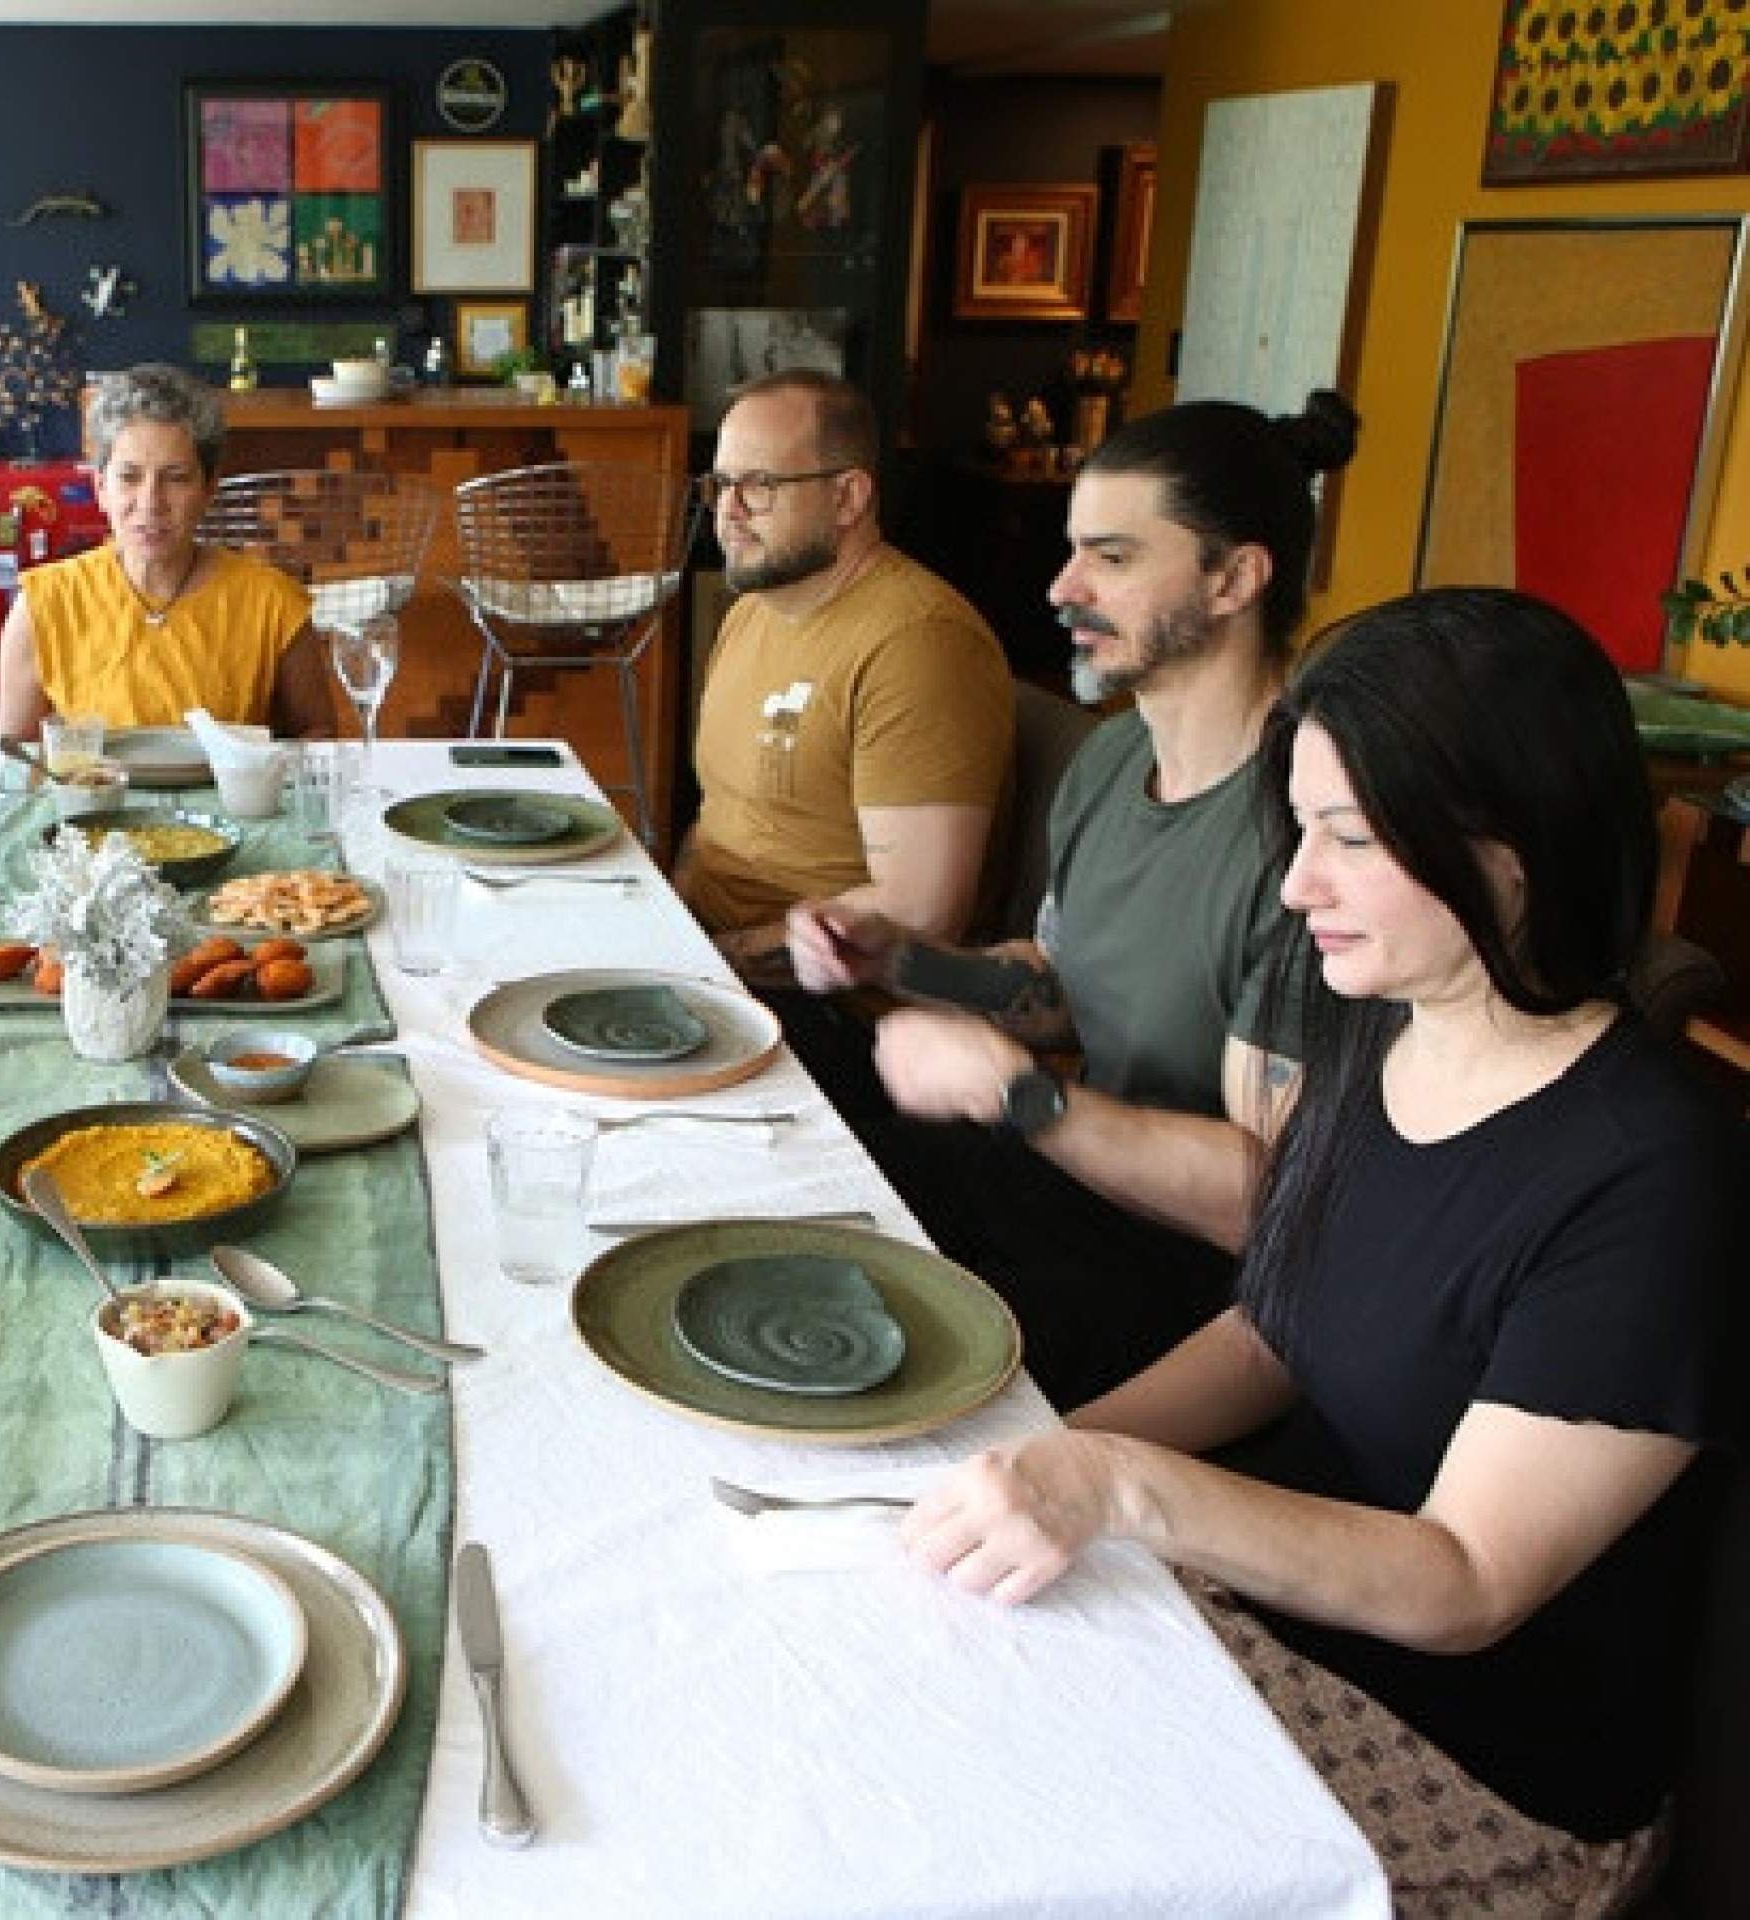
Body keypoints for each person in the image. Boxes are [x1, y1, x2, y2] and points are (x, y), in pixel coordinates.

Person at [903, 589, 1738, 1915]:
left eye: (1349, 838)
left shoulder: (1651, 1172)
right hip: (1271, 1617)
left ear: (1515, 846)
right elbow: (1274, 1327)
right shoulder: (1385, 1025)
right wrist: (1039, 1455)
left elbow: (1467, 1580)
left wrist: (1120, 1484)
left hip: (1482, 1767)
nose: (1299, 887)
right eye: (1301, 832)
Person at [786, 392, 1361, 1406]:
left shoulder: (1313, 829)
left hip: (1195, 1283)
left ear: (1235, 577)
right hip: (1070, 1184)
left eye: (1113, 557)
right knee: (798, 1077)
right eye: (1071, 551)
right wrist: (901, 959)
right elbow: (1061, 985)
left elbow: (1269, 1202)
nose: (1062, 587)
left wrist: (1021, 1096)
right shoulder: (1112, 759)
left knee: (851, 1325)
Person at [675, 370, 1013, 961]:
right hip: (704, 952)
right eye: (721, 484)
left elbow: (921, 910)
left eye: (759, 485)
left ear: (847, 498)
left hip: (813, 995)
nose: (728, 511)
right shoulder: (751, 612)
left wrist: (725, 957)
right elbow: (716, 824)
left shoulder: (919, 643)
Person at [0, 362, 330, 740]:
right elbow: (15, 755)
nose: (151, 503)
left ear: (209, 490)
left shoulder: (274, 604)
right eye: (129, 477)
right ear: (101, 488)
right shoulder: (43, 606)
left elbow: (318, 735)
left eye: (176, 478)